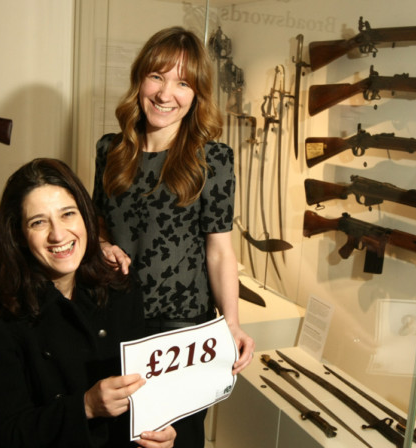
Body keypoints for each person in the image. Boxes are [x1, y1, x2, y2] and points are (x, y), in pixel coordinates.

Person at [92, 26, 255, 447]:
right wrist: (103, 245)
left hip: (183, 333)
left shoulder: (212, 159)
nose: (166, 94)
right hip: (115, 322)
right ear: (140, 80)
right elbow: (99, 226)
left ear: (197, 93)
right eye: (157, 77)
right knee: (116, 435)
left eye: (183, 83)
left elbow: (219, 251)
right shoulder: (109, 150)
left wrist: (232, 323)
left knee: (172, 440)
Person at [0, 158, 176, 448]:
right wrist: (86, 406)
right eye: (38, 222)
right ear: (18, 235)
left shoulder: (119, 284)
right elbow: (4, 434)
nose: (58, 234)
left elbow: (142, 387)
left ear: (86, 217)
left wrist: (156, 429)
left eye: (68, 214)